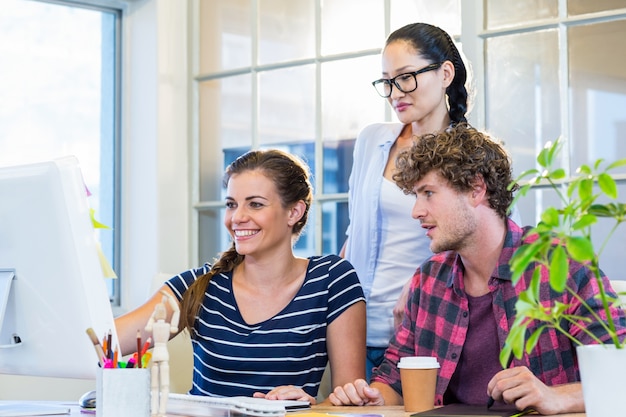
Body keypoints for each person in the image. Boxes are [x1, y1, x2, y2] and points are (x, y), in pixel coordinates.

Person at [329, 124, 626, 415]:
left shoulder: (558, 263)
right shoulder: (428, 279)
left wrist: (556, 397)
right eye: (416, 196)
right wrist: (367, 397)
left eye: (428, 193)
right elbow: (394, 379)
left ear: (476, 189)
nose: (416, 211)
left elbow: (619, 374)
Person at [115, 149, 366, 403]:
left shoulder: (332, 280)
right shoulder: (198, 286)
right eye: (231, 204)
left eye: (255, 204)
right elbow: (107, 340)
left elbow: (349, 401)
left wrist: (312, 408)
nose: (237, 217)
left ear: (294, 212)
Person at [340, 22, 471, 380]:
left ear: (445, 73)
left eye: (407, 77)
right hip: (351, 331)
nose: (396, 92)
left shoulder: (471, 155)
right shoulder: (371, 140)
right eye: (387, 81)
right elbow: (356, 234)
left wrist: (418, 289)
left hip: (421, 335)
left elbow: (488, 246)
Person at [145, 290, 180, 417]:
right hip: (164, 354)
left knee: (154, 387)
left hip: (155, 355)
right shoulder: (168, 327)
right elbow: (177, 312)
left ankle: (154, 411)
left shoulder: (153, 326)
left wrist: (154, 313)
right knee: (165, 386)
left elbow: (148, 325)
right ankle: (161, 411)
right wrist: (170, 299)